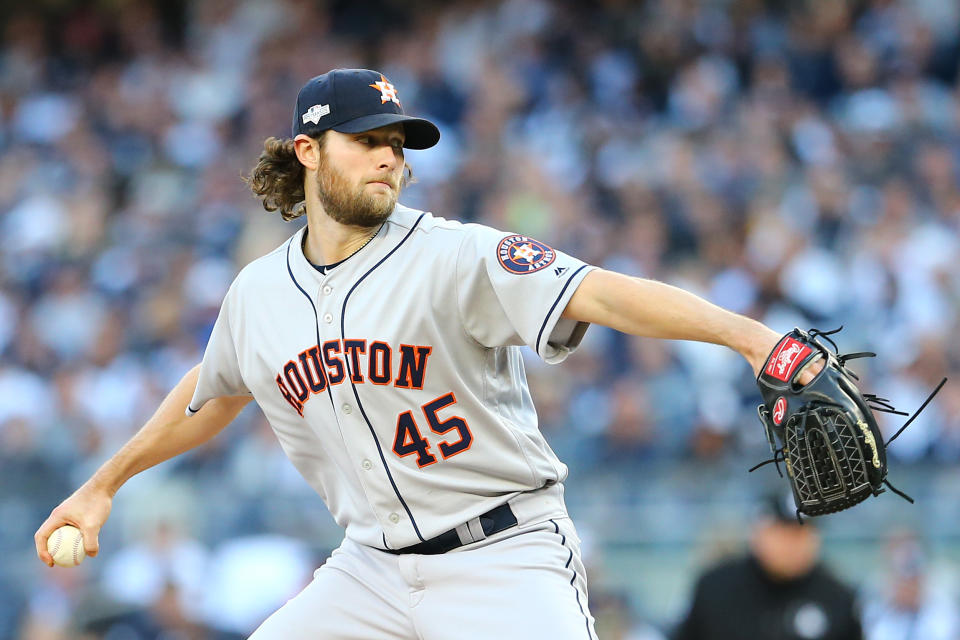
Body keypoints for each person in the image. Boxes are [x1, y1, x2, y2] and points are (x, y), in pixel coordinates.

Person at [36, 68, 802, 639]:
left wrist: (751, 336)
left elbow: (597, 292)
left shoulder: (455, 254)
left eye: (397, 145)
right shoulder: (259, 292)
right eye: (367, 141)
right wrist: (104, 484)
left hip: (502, 554)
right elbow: (216, 389)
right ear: (308, 150)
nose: (389, 160)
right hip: (369, 567)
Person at [672, 493, 864, 640]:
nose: (792, 545)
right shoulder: (715, 588)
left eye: (802, 534)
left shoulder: (838, 597)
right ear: (758, 534)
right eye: (783, 534)